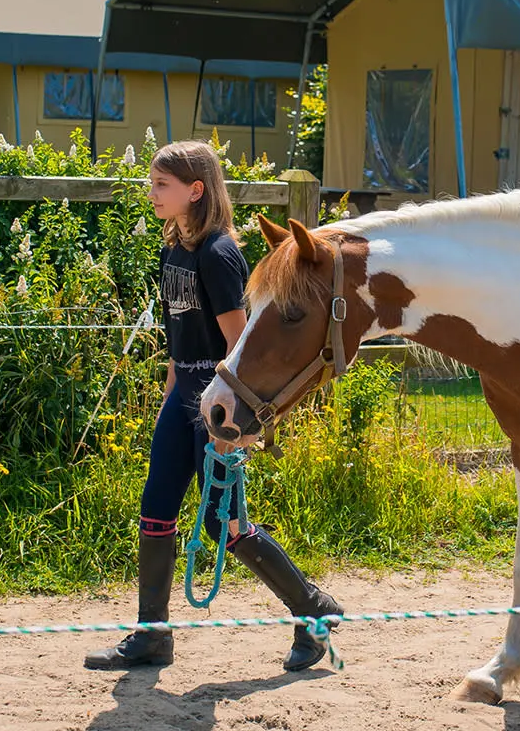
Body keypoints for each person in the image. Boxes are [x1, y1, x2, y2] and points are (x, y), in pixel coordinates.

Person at [86, 140, 342, 673]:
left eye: (162, 184)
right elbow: (180, 335)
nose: (151, 192)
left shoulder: (219, 253)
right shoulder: (172, 247)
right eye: (153, 182)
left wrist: (230, 424)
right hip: (182, 399)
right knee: (156, 510)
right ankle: (152, 634)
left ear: (195, 190)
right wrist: (170, 391)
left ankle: (312, 609)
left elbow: (237, 344)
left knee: (222, 526)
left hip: (216, 403)